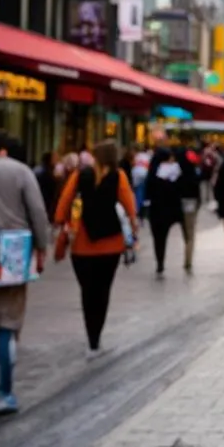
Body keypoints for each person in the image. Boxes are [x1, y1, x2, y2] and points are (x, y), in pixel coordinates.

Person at [54, 141, 138, 358]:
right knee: (102, 292)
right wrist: (133, 233)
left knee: (87, 292)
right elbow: (130, 208)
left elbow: (63, 205)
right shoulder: (119, 177)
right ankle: (95, 339)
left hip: (81, 247)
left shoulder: (80, 175)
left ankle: (91, 337)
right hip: (111, 246)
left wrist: (62, 224)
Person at [0, 130, 50, 414]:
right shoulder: (20, 171)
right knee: (8, 322)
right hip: (12, 251)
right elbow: (37, 211)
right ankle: (5, 391)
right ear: (4, 149)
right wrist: (41, 248)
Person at [145, 147, 183, 277]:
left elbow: (148, 190)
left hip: (155, 210)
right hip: (167, 210)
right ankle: (160, 260)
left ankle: (159, 260)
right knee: (163, 236)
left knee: (157, 237)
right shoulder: (172, 172)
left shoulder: (153, 172)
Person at [175, 147, 201, 273]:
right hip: (192, 203)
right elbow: (197, 192)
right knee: (190, 233)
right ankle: (188, 260)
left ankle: (187, 258)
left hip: (181, 203)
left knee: (186, 232)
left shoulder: (178, 173)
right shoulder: (193, 173)